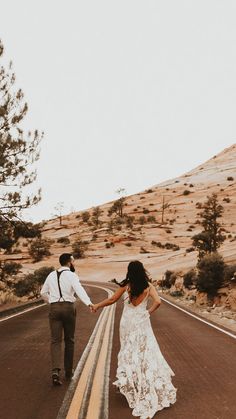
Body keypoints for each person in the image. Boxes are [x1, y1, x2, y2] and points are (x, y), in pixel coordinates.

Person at [92, 260, 177, 418]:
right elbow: (158, 301)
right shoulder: (148, 286)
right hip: (142, 322)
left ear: (130, 272)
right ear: (142, 271)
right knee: (144, 351)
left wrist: (97, 305)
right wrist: (148, 312)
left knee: (128, 351)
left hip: (127, 323)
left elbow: (111, 300)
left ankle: (131, 382)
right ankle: (143, 383)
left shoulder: (126, 286)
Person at [40, 253, 94, 386]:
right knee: (69, 340)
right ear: (69, 263)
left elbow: (43, 293)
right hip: (68, 308)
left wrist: (52, 303)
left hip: (54, 308)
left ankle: (55, 372)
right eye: (73, 261)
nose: (74, 264)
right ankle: (68, 371)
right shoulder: (72, 275)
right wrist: (89, 303)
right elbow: (79, 289)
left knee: (55, 340)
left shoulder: (51, 275)